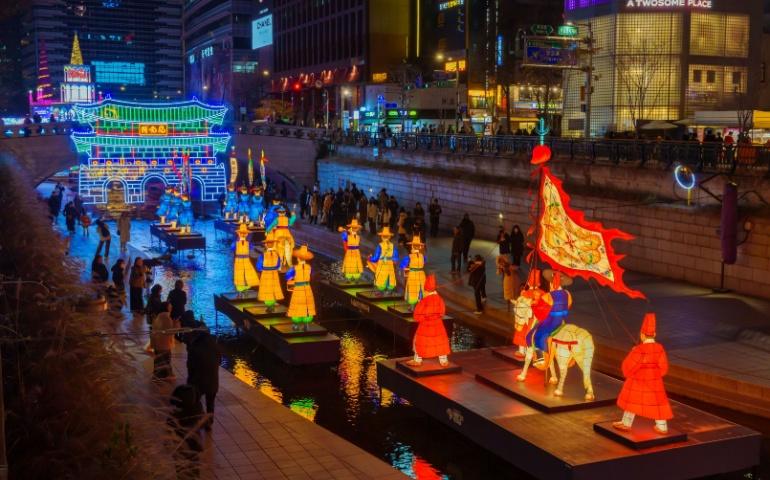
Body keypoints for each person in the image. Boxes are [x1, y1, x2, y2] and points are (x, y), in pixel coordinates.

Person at [613, 313, 673, 435]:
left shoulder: (639, 349)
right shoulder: (660, 348)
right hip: (655, 381)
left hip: (638, 380)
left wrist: (628, 372)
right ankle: (662, 427)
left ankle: (626, 423)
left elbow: (629, 365)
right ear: (654, 335)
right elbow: (663, 367)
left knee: (632, 400)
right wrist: (656, 375)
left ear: (642, 335)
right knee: (658, 403)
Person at [406, 275, 451, 367]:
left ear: (426, 289)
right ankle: (443, 361)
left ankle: (417, 360)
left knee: (419, 341)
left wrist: (423, 319)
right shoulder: (439, 299)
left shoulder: (424, 300)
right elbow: (442, 312)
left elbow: (417, 315)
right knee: (440, 341)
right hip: (438, 324)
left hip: (425, 325)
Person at [186, 324, 220, 429]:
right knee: (210, 403)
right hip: (213, 380)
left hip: (198, 380)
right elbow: (219, 361)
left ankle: (197, 420)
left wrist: (190, 379)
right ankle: (209, 423)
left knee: (195, 401)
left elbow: (190, 365)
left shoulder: (194, 346)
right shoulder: (214, 345)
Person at [285, 245, 317, 330]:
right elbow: (312, 276)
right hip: (307, 288)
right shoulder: (309, 268)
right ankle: (306, 324)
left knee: (297, 307)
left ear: (298, 258)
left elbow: (287, 276)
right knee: (307, 307)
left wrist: (292, 278)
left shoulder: (294, 268)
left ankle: (296, 325)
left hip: (298, 289)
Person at [368, 226, 399, 294]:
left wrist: (370, 258)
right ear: (389, 237)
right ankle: (389, 290)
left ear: (382, 236)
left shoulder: (380, 245)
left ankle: (381, 290)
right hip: (390, 264)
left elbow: (376, 257)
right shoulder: (392, 245)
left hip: (382, 264)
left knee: (381, 276)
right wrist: (394, 261)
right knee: (390, 276)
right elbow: (396, 257)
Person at [151, 301, 177, 380]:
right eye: (170, 306)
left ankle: (158, 375)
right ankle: (163, 376)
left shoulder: (158, 317)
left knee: (159, 360)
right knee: (165, 360)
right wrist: (176, 324)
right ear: (166, 308)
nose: (171, 307)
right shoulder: (167, 318)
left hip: (157, 343)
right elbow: (170, 333)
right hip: (164, 344)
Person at [400, 236, 426, 309]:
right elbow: (424, 262)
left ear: (412, 246)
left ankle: (412, 307)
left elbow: (402, 265)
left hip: (413, 275)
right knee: (421, 290)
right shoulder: (423, 256)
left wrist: (405, 268)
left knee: (412, 290)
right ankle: (420, 306)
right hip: (421, 275)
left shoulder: (409, 257)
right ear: (420, 246)